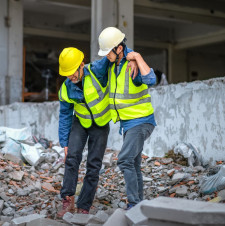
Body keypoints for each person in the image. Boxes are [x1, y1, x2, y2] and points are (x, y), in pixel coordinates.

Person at [97, 27, 157, 209]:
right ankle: (139, 205)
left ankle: (133, 204)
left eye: (108, 52)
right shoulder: (114, 64)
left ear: (119, 49)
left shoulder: (133, 64)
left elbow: (151, 79)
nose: (106, 56)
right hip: (128, 124)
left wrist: (137, 57)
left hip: (141, 121)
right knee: (133, 163)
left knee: (124, 160)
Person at [57, 47, 111, 217]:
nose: (70, 77)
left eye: (72, 72)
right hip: (80, 121)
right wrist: (64, 142)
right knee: (72, 157)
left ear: (81, 65)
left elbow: (112, 54)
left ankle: (84, 206)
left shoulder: (96, 71)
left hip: (100, 124)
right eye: (66, 74)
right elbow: (65, 115)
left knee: (94, 165)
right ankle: (67, 199)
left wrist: (132, 56)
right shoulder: (66, 88)